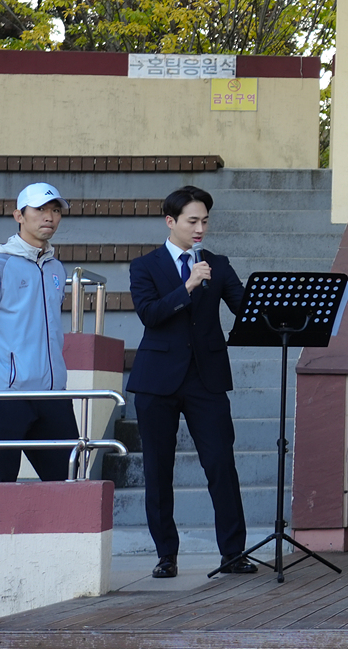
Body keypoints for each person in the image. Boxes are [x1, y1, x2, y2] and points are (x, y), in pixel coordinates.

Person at [127, 186, 256, 579]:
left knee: (221, 465)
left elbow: (245, 306)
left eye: (205, 221)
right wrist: (186, 287)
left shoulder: (218, 263)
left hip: (207, 378)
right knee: (158, 470)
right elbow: (149, 314)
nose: (200, 228)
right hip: (156, 380)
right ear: (171, 222)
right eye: (192, 221)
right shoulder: (145, 266)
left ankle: (233, 553)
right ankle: (166, 554)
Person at [0, 182, 79, 483]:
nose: (49, 216)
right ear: (19, 216)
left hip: (52, 395)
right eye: (40, 209)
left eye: (55, 210)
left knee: (71, 484)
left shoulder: (56, 269)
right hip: (5, 396)